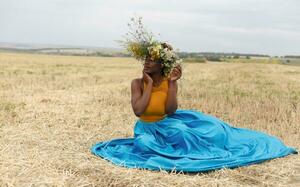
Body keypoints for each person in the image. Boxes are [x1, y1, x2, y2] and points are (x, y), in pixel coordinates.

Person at [91, 18, 297, 172]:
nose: (146, 62)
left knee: (193, 131)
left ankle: (205, 152)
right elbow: (138, 111)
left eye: (152, 60)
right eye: (145, 59)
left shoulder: (169, 83)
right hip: (146, 128)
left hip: (166, 123)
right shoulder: (137, 84)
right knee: (144, 145)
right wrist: (149, 84)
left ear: (162, 64)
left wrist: (171, 84)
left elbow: (171, 110)